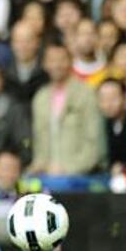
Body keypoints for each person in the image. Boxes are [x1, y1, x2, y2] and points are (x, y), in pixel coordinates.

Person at [28, 42, 105, 175]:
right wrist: (39, 165)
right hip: (47, 176)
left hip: (79, 178)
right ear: (44, 64)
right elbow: (39, 141)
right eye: (52, 60)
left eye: (62, 59)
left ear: (70, 61)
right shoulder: (40, 97)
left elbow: (94, 141)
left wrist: (69, 168)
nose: (57, 65)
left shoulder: (86, 93)